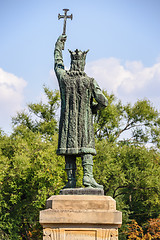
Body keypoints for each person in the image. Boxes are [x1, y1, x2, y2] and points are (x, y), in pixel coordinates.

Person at [54, 35, 108, 189]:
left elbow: (57, 64)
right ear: (83, 64)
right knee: (86, 148)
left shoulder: (64, 78)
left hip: (68, 123)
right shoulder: (90, 81)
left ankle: (71, 180)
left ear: (72, 63)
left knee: (69, 151)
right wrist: (94, 109)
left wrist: (58, 46)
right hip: (84, 123)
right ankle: (88, 178)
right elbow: (104, 101)